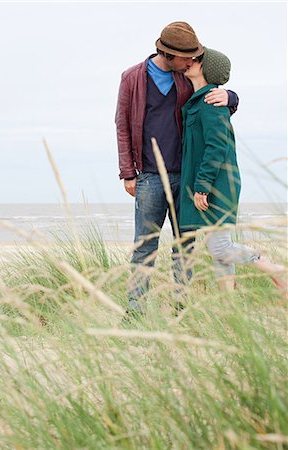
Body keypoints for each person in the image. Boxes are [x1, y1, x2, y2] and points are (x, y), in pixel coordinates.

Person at [115, 22, 239, 315]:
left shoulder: (186, 77)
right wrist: (127, 172)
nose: (192, 62)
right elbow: (122, 126)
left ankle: (180, 310)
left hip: (187, 176)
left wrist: (232, 96)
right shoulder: (132, 77)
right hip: (148, 177)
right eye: (187, 58)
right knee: (144, 248)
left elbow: (212, 100)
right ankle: (136, 313)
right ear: (167, 54)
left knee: (185, 247)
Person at [180, 47, 287, 296]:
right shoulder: (201, 99)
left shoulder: (210, 103)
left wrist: (202, 185)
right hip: (212, 182)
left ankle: (272, 267)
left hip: (217, 184)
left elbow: (216, 146)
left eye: (196, 60)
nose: (190, 63)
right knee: (218, 248)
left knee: (219, 247)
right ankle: (227, 305)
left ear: (207, 69)